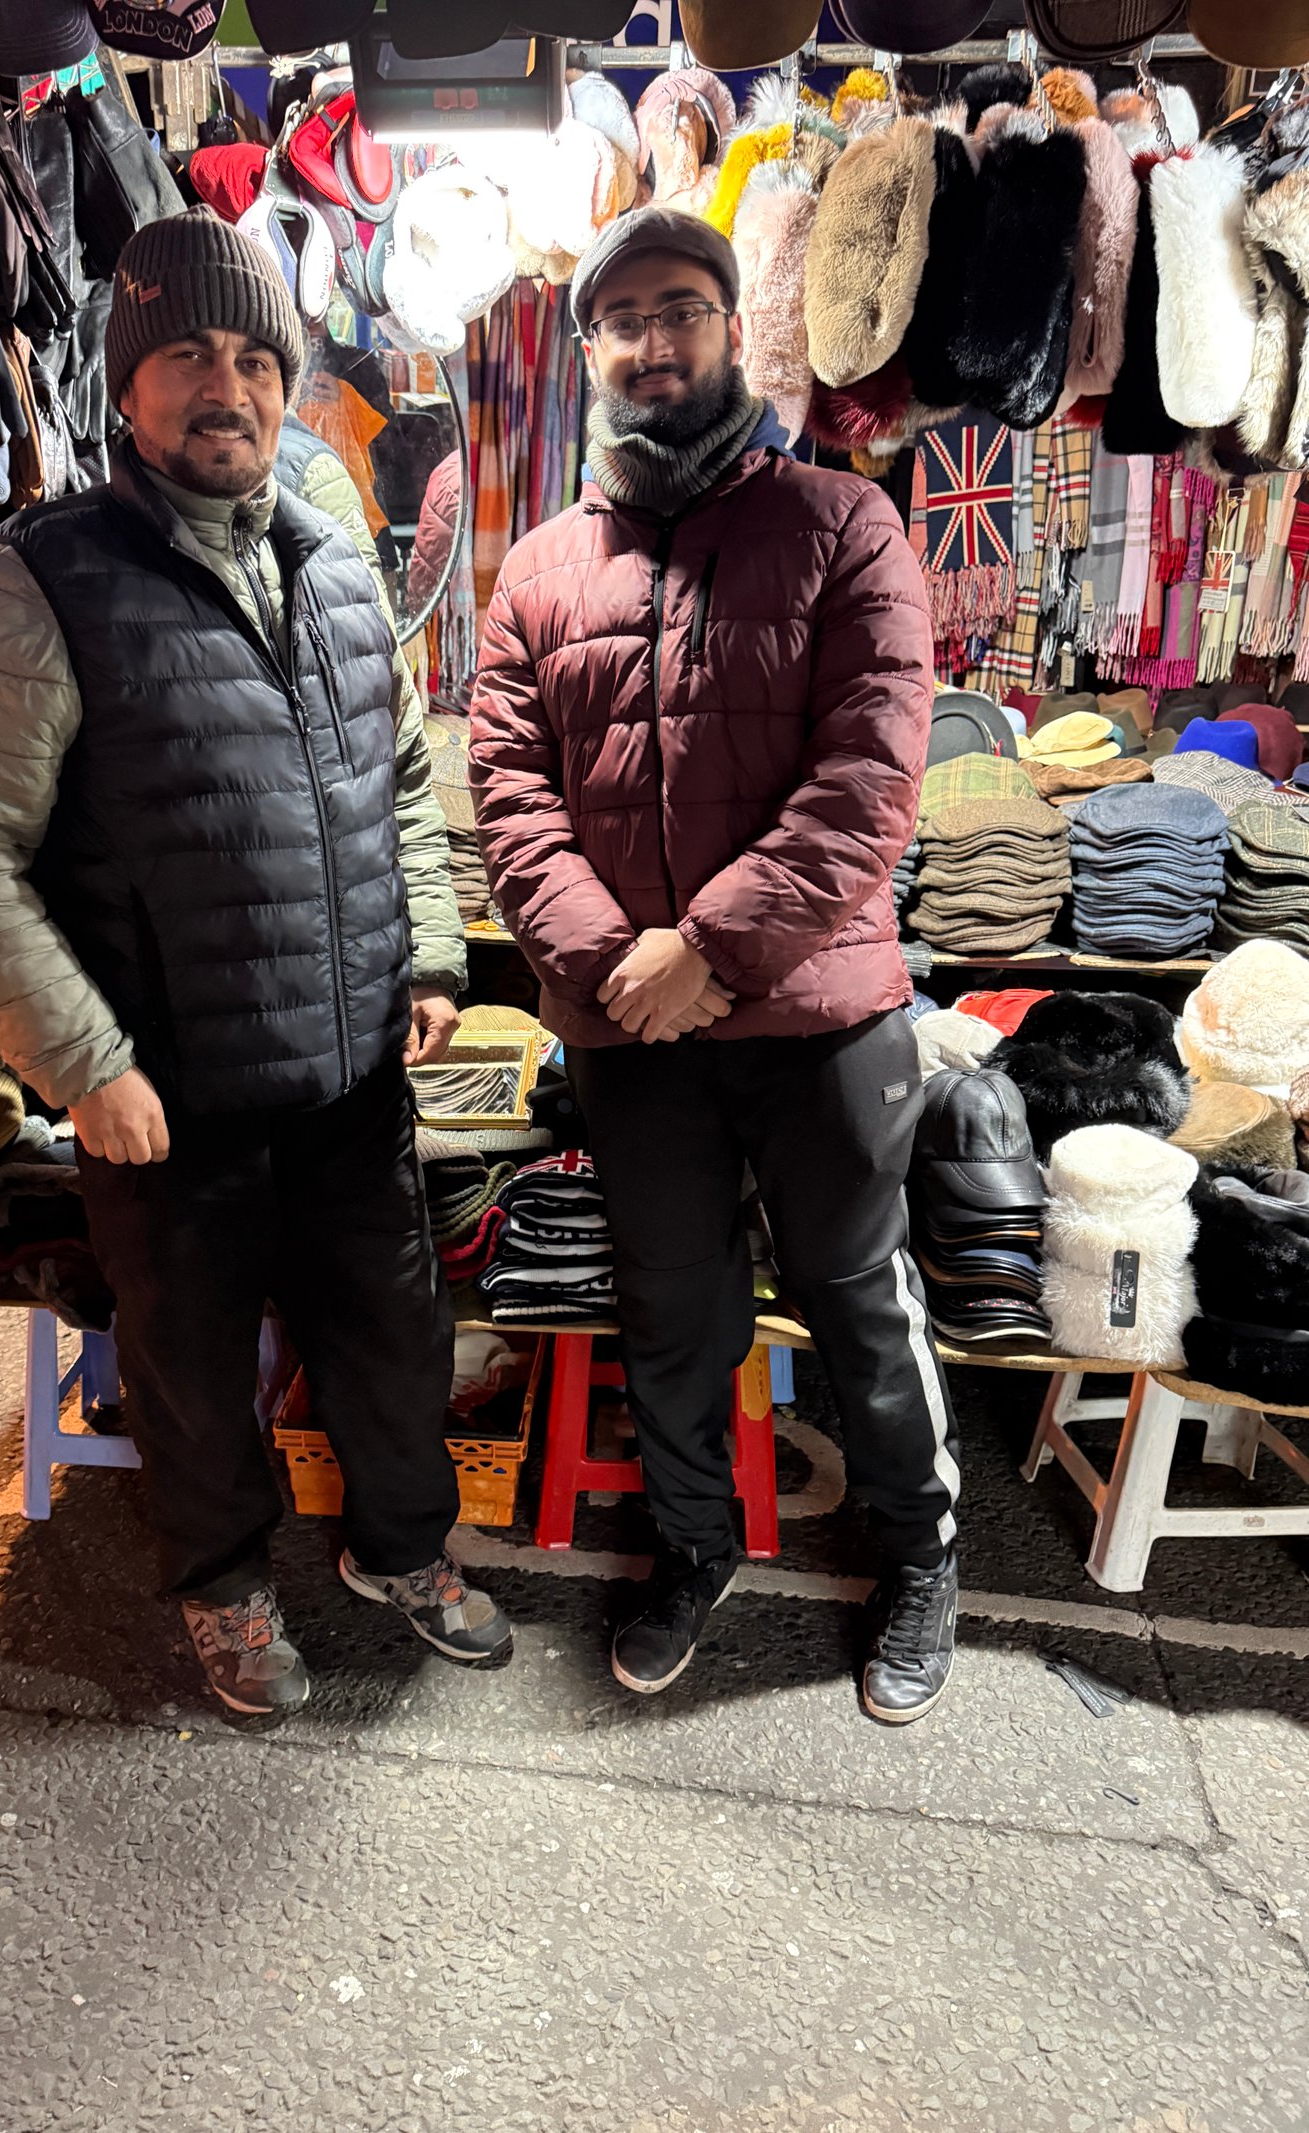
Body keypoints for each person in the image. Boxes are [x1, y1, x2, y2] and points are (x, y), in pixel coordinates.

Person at [0, 209, 512, 1715]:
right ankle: (224, 1588)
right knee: (188, 1369)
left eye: (252, 354)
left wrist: (430, 950)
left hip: (356, 1070)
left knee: (391, 1335)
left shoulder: (339, 556)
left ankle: (400, 1548)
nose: (224, 384)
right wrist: (86, 1064)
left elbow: (397, 779)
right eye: (185, 352)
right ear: (125, 385)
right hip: (168, 1096)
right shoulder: (32, 584)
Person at [469, 207, 957, 1724]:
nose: (655, 339)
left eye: (683, 308)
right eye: (624, 318)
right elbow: (508, 786)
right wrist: (620, 963)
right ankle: (694, 1543)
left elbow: (871, 771)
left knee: (857, 1294)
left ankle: (922, 1550)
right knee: (675, 1310)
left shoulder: (840, 523)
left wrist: (712, 950)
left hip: (820, 1013)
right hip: (633, 1027)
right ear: (592, 346)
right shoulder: (541, 570)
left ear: (734, 327)